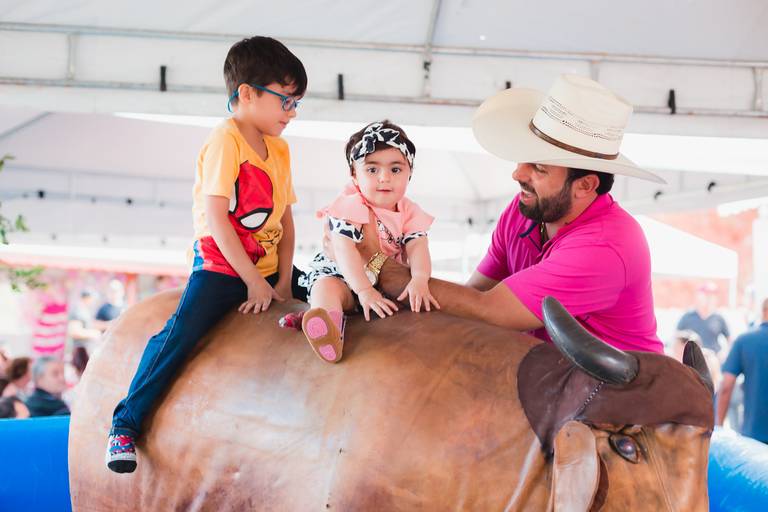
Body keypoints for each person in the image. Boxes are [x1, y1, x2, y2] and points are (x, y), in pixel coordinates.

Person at [105, 36, 308, 474]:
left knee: (336, 284)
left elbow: (287, 219)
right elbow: (217, 217)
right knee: (180, 334)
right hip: (223, 266)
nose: (291, 112)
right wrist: (252, 280)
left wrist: (284, 279)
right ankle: (125, 424)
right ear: (247, 94)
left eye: (296, 104)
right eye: (286, 100)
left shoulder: (281, 149)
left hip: (272, 265)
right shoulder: (225, 141)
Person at [366, 74, 666, 352]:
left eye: (539, 167)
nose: (517, 173)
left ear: (585, 185)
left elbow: (488, 310)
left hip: (621, 400)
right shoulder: (526, 209)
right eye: (525, 159)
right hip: (556, 386)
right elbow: (472, 297)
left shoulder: (605, 246)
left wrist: (372, 259)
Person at [293, 121, 437, 363]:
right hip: (343, 275)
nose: (384, 178)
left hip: (383, 283)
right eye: (372, 170)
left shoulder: (409, 210)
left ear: (409, 172)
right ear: (354, 175)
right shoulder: (351, 203)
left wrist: (420, 278)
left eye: (395, 170)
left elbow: (418, 245)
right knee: (327, 288)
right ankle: (326, 327)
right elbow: (343, 247)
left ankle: (322, 319)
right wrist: (363, 290)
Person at [716, 298, 768, 444]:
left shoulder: (745, 341)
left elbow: (726, 386)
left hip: (755, 437)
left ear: (763, 312)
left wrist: (718, 426)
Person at [676, 282, 731, 355]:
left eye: (712, 295)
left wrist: (724, 354)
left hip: (713, 360)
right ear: (698, 296)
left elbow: (729, 340)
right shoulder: (687, 317)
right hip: (692, 359)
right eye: (706, 295)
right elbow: (676, 337)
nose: (709, 298)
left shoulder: (718, 318)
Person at [68, 289, 102, 375]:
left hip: (85, 350)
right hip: (80, 350)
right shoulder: (78, 311)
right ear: (87, 298)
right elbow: (74, 332)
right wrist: (94, 334)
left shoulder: (84, 310)